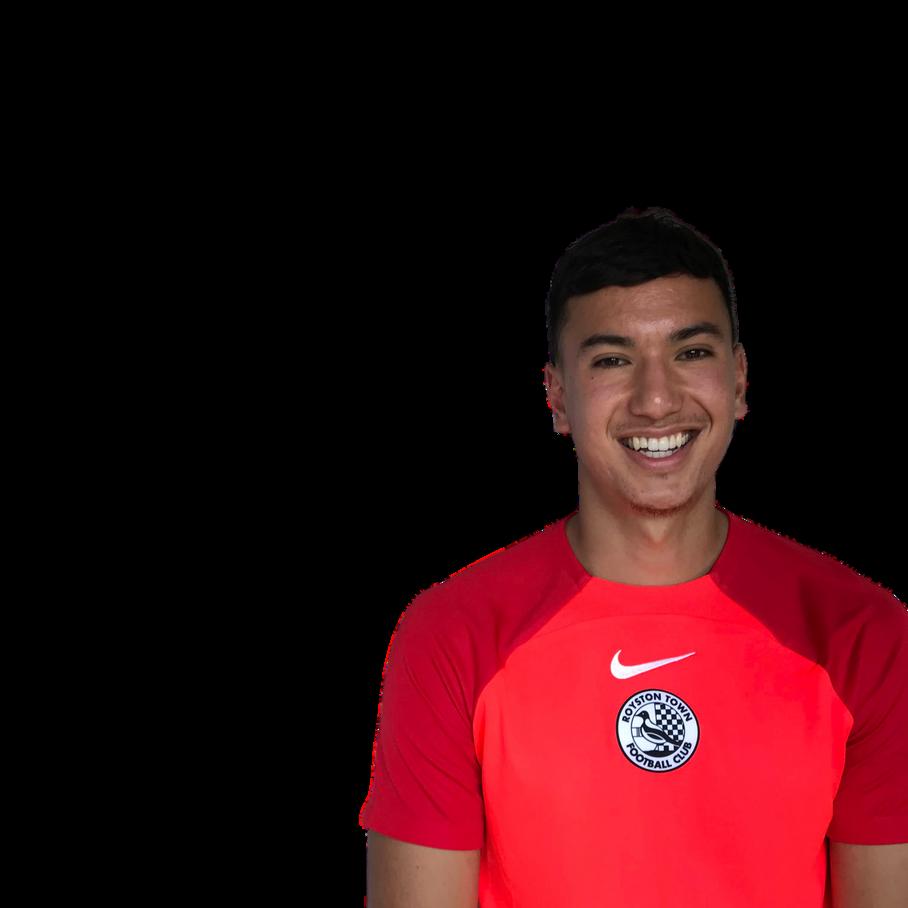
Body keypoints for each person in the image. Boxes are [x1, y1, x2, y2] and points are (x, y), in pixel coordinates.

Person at [360, 206, 908, 907]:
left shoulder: (861, 632)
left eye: (691, 352)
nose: (655, 400)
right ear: (557, 396)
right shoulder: (450, 634)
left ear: (739, 380)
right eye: (613, 360)